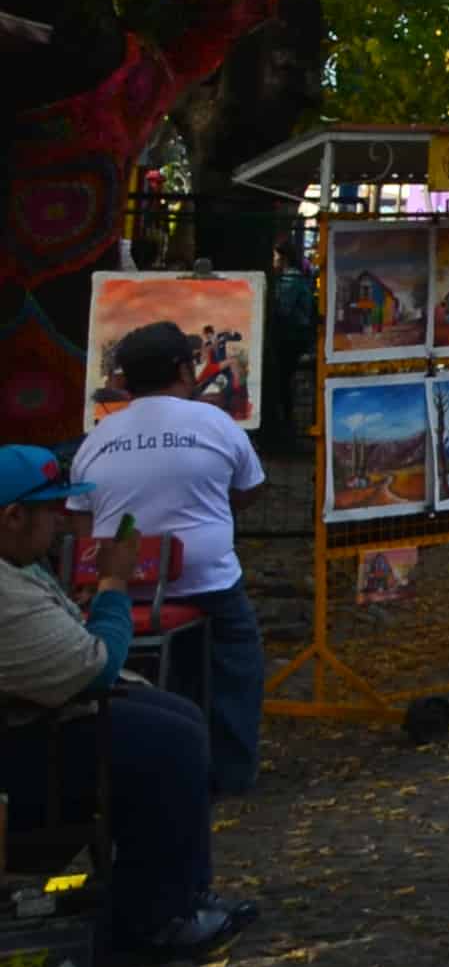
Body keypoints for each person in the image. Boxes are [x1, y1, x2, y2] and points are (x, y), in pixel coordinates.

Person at [0, 447, 249, 957]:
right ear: (13, 516)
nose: (62, 524)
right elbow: (95, 665)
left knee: (175, 717)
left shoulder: (19, 565)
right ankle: (157, 918)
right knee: (167, 740)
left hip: (31, 723)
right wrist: (113, 585)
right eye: (50, 512)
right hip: (20, 751)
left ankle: (179, 895)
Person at [71, 322, 268, 795]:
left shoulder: (99, 436)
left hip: (118, 589)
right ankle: (231, 770)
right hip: (206, 584)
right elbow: (249, 489)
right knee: (239, 661)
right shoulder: (216, 422)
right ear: (184, 369)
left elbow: (81, 519)